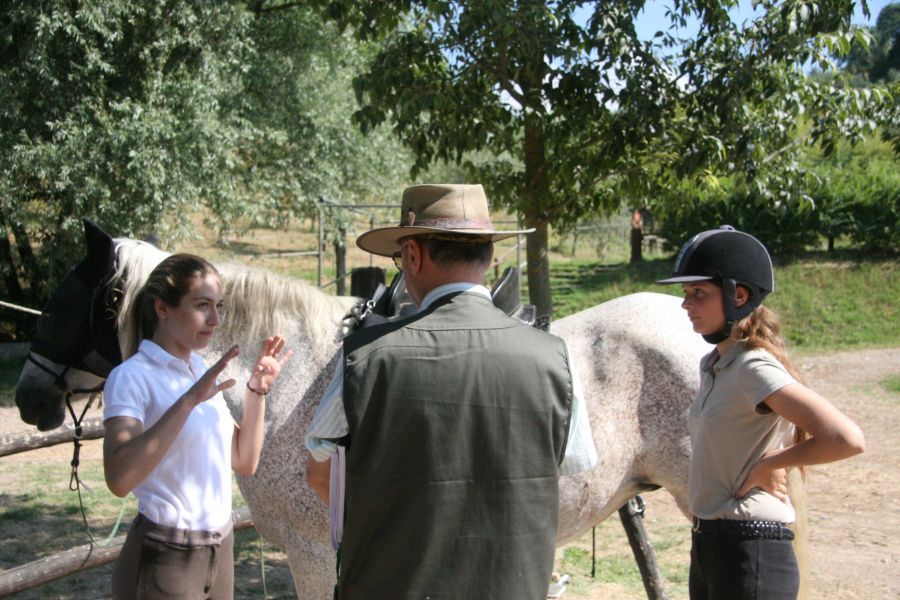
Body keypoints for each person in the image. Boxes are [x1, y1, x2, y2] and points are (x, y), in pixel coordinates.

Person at [305, 183, 597, 600]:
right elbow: (572, 467)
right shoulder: (554, 357)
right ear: (491, 255)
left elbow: (320, 473)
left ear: (412, 255)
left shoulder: (365, 357)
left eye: (399, 257)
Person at [657, 226, 865, 600]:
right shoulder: (715, 365)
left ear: (739, 294)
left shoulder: (754, 367)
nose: (686, 304)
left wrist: (771, 464)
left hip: (751, 550)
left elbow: (846, 439)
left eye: (698, 293)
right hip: (710, 545)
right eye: (686, 293)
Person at [103, 253, 292, 599]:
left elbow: (244, 461)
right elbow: (118, 478)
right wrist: (189, 400)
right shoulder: (130, 377)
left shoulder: (201, 369)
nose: (216, 319)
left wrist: (256, 391)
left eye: (219, 306)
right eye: (203, 305)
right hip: (165, 552)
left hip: (221, 546)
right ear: (162, 308)